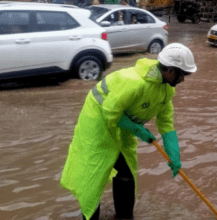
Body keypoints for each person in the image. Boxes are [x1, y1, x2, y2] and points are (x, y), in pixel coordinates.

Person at [60, 43, 197, 220]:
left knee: (126, 170)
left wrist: (174, 154)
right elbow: (110, 112)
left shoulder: (166, 89)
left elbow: (166, 123)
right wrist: (137, 129)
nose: (183, 79)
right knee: (94, 175)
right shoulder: (133, 82)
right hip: (98, 122)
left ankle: (124, 216)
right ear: (170, 71)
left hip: (123, 123)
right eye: (183, 74)